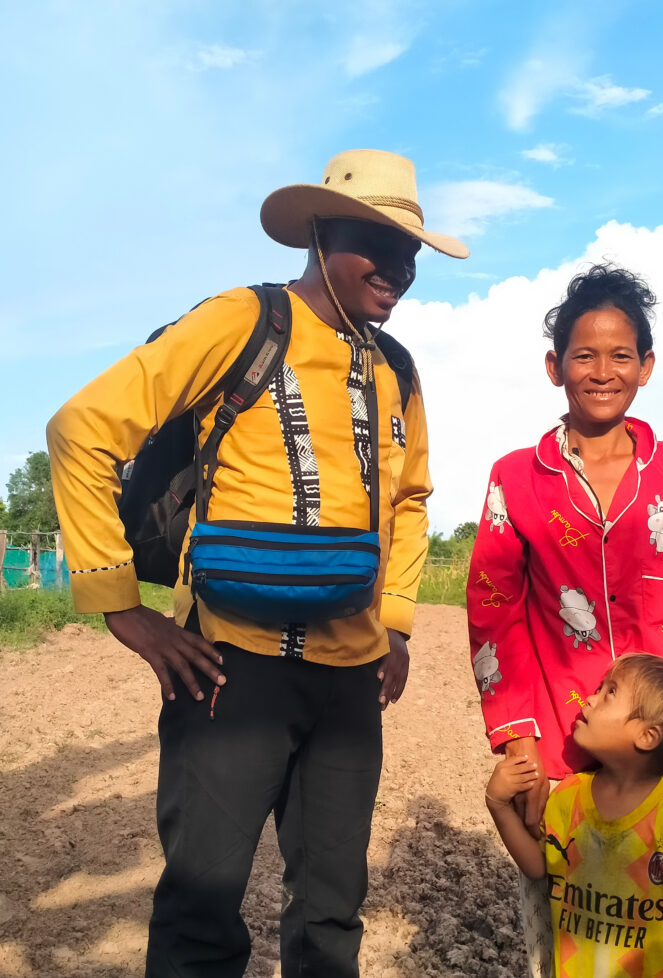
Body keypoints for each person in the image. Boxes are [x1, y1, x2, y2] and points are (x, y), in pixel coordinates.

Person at [46, 149, 468, 978]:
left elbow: (411, 501)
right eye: (374, 245)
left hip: (350, 683)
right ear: (317, 233)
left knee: (330, 914)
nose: (398, 269)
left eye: (411, 254)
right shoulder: (244, 322)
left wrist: (396, 622)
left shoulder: (398, 369)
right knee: (203, 907)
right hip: (229, 671)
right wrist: (122, 608)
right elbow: (80, 430)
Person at [467, 263, 663, 976]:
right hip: (566, 759)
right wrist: (516, 745)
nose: (602, 371)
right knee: (558, 930)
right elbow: (494, 610)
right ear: (554, 366)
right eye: (583, 355)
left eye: (621, 354)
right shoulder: (516, 478)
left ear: (647, 366)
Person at [485, 653, 663, 978]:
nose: (590, 699)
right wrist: (498, 805)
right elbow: (538, 866)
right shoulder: (568, 796)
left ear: (647, 735)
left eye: (609, 692)